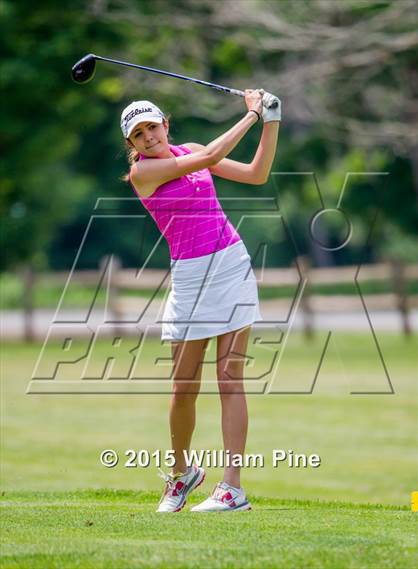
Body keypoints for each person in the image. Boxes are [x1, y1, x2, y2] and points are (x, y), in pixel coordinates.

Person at [121, 89, 281, 512]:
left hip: (229, 265)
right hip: (190, 279)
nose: (148, 137)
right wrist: (250, 115)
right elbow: (210, 156)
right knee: (183, 388)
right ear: (132, 146)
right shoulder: (144, 174)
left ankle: (232, 488)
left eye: (152, 127)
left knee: (230, 379)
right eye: (138, 134)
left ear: (165, 125)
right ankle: (181, 474)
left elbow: (256, 173)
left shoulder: (188, 149)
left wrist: (272, 120)